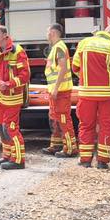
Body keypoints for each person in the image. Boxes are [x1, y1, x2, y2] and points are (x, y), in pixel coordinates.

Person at [71, 25, 110, 169]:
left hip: (86, 94)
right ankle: (102, 162)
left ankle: (85, 160)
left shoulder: (83, 43)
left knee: (86, 125)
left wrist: (86, 79)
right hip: (108, 94)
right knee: (107, 126)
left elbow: (75, 67)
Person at [0, 24, 30, 170]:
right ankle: (7, 155)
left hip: (12, 98)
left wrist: (10, 84)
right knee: (1, 127)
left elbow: (25, 76)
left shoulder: (17, 51)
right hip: (0, 97)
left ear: (5, 35)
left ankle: (18, 160)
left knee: (11, 128)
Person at [42, 24, 76, 157]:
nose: (46, 34)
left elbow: (63, 68)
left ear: (52, 32)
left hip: (60, 91)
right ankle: (56, 145)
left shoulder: (59, 47)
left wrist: (55, 88)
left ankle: (70, 148)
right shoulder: (56, 48)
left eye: (47, 31)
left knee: (63, 118)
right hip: (55, 91)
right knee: (55, 118)